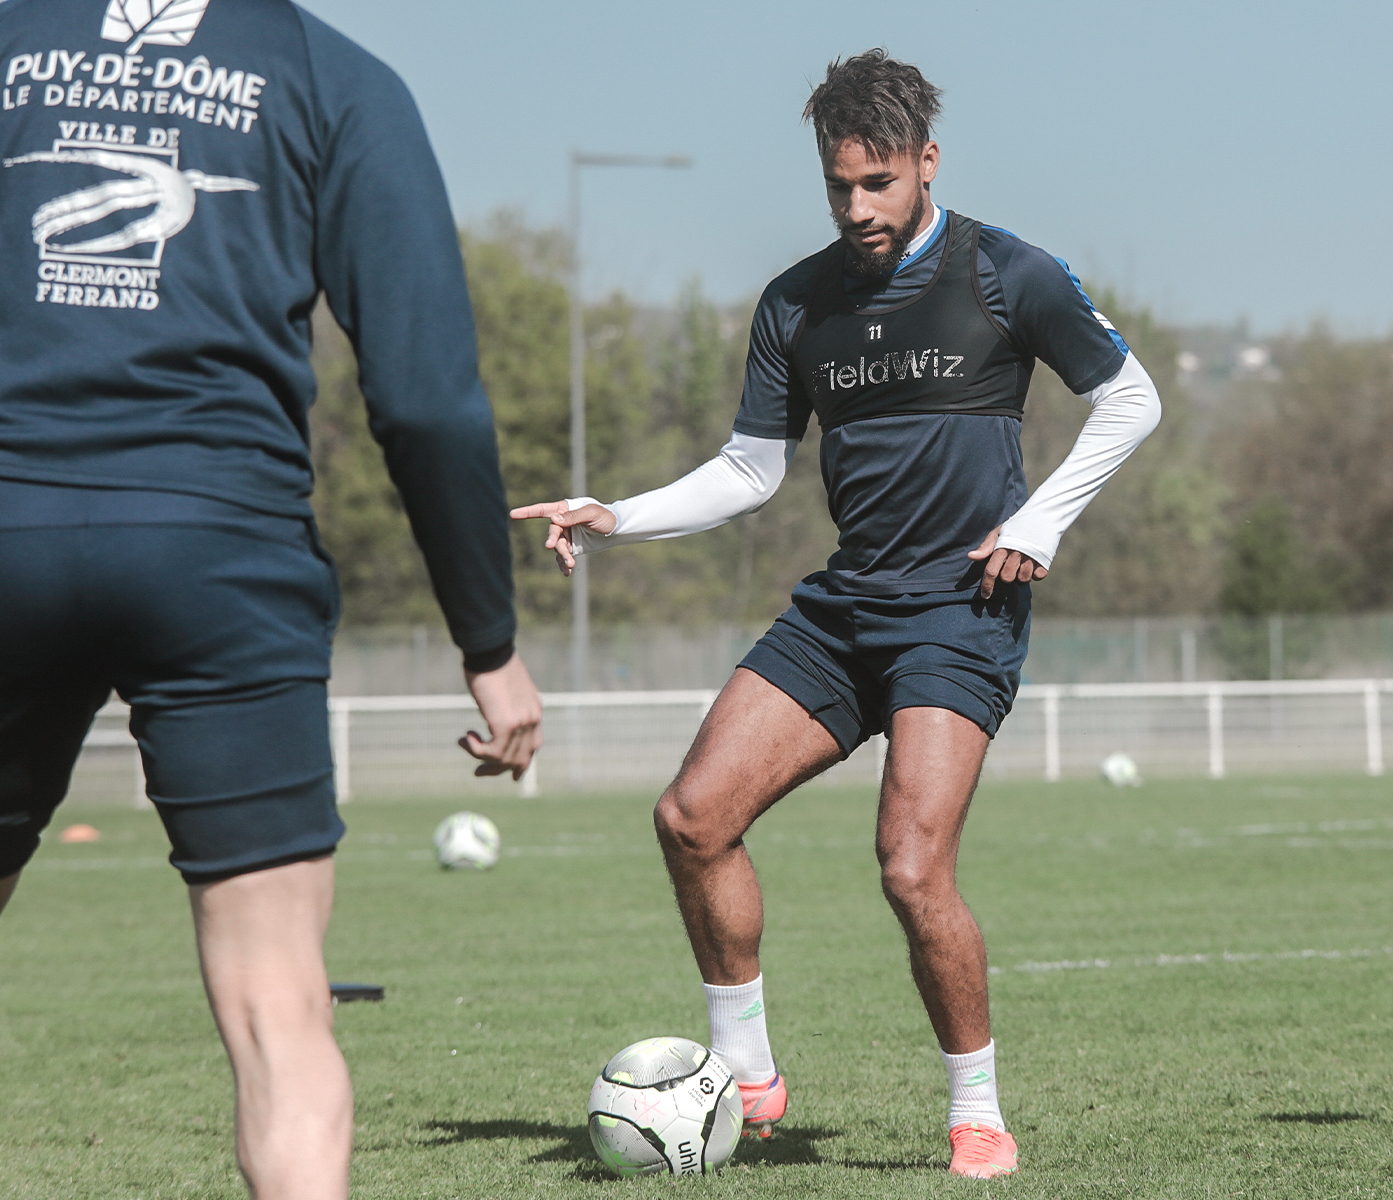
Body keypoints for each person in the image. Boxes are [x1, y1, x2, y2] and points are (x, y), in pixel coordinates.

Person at [515, 49, 1159, 1179]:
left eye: (878, 183)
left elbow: (1130, 397)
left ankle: (976, 1111)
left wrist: (1041, 521)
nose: (857, 208)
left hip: (961, 610)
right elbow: (749, 471)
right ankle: (743, 1075)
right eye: (837, 186)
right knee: (690, 818)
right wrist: (617, 514)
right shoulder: (796, 302)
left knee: (910, 868)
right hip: (845, 605)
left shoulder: (1007, 273)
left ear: (925, 163)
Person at [0, 1, 542, 1197]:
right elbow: (428, 402)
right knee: (278, 1013)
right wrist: (486, 639)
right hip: (219, 552)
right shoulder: (335, 79)